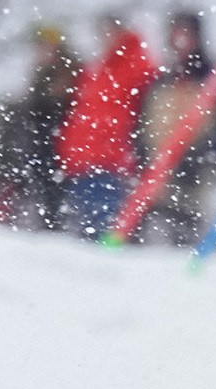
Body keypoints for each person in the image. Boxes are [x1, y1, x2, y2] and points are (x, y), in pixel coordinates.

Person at [131, 10, 216, 246]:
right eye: (176, 34)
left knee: (188, 232)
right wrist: (144, 158)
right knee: (155, 235)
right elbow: (143, 125)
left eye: (186, 34)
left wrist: (205, 154)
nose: (180, 41)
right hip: (158, 173)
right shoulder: (161, 80)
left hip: (198, 173)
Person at [55, 15, 156, 235]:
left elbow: (145, 111)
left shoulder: (135, 65)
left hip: (111, 163)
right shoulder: (99, 69)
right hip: (84, 162)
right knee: (84, 229)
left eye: (109, 32)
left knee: (102, 230)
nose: (104, 38)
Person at [0, 25, 82, 230]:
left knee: (50, 204)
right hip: (34, 149)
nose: (42, 50)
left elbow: (54, 108)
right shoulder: (41, 72)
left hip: (53, 150)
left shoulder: (65, 71)